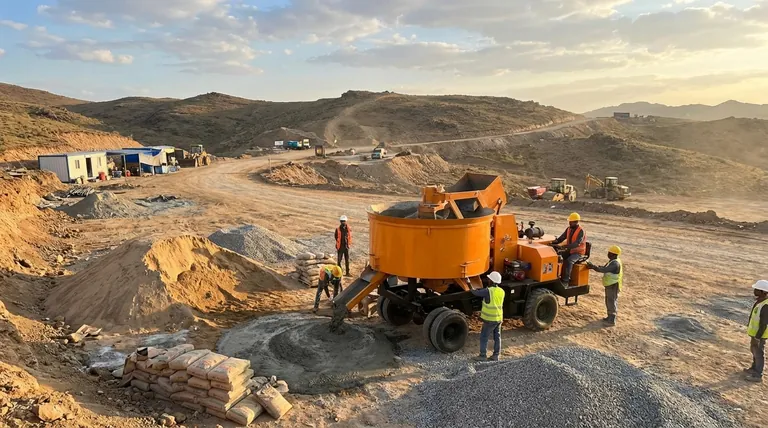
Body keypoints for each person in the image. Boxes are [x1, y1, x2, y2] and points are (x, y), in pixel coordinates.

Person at [472, 271, 505, 362]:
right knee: (497, 337)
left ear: (491, 281)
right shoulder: (502, 291)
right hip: (499, 318)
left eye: (489, 279)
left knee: (484, 337)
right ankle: (496, 356)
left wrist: (469, 284)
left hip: (490, 319)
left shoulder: (488, 291)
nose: (488, 280)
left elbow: (475, 293)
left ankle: (482, 355)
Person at [586, 245, 623, 326]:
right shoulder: (613, 261)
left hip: (613, 285)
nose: (608, 254)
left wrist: (593, 267)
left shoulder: (615, 264)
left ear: (613, 254)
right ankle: (609, 317)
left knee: (611, 301)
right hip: (611, 284)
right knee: (609, 300)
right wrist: (594, 266)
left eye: (609, 253)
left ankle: (612, 320)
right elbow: (604, 267)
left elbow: (603, 269)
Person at [551, 212, 586, 286]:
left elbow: (577, 244)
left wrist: (564, 247)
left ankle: (566, 281)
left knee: (569, 261)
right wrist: (552, 243)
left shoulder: (581, 231)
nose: (569, 223)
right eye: (569, 221)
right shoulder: (569, 229)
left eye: (571, 222)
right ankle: (556, 277)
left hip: (578, 253)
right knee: (557, 256)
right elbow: (561, 238)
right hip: (570, 250)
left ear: (576, 222)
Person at [745, 279, 768, 382]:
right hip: (755, 334)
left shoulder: (766, 305)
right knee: (754, 350)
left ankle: (758, 374)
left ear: (763, 292)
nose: (754, 291)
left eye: (757, 289)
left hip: (760, 335)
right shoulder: (760, 301)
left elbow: (764, 323)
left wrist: (758, 337)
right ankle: (754, 368)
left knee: (759, 353)